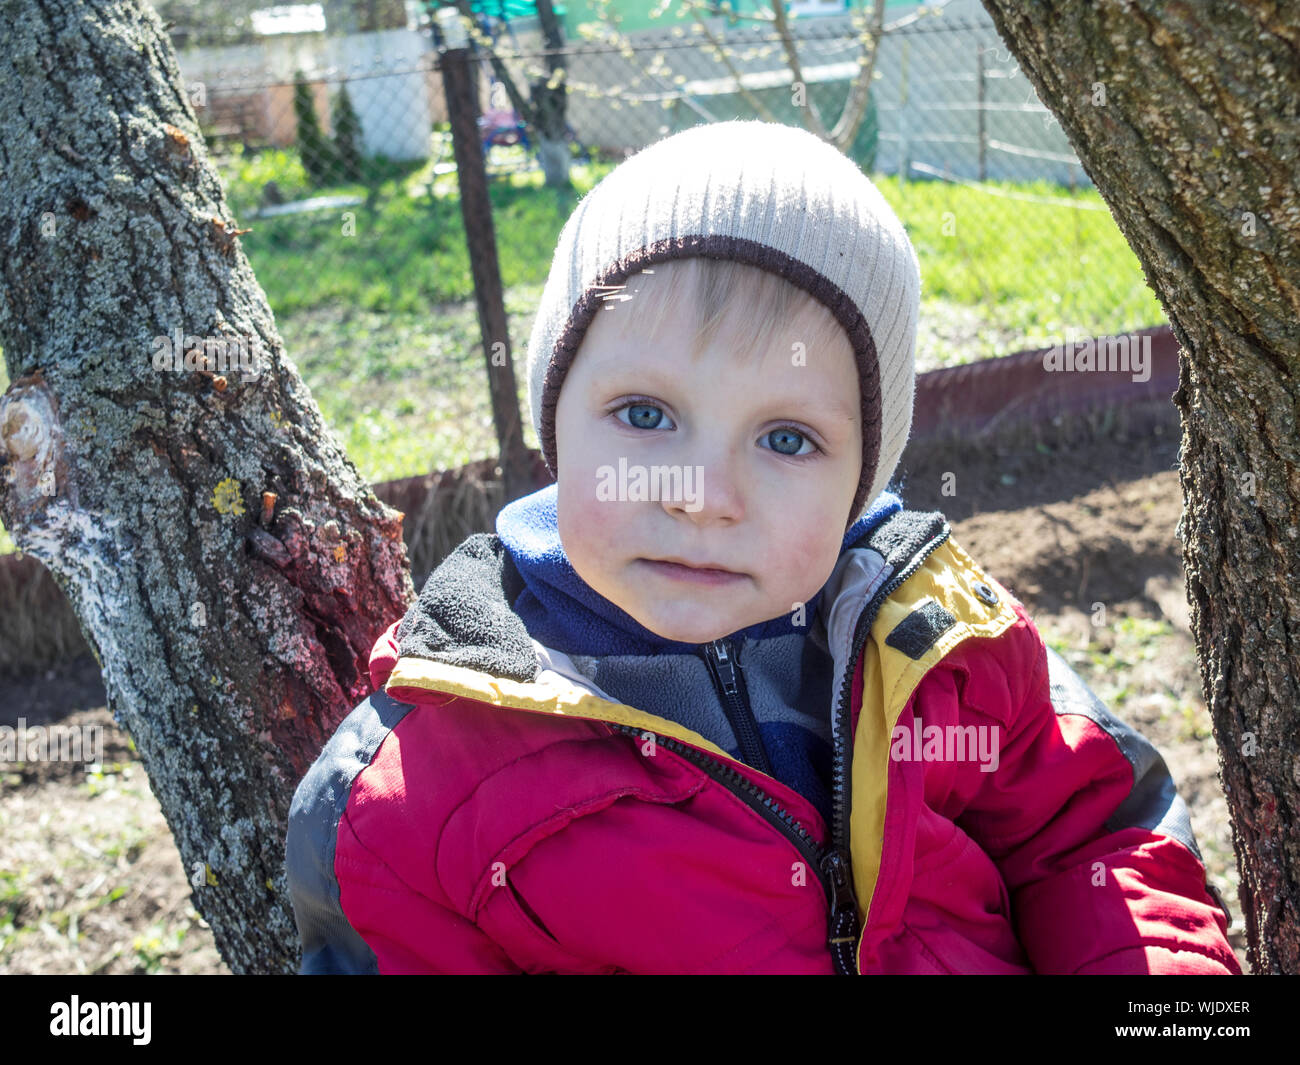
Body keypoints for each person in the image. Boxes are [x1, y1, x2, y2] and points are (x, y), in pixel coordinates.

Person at [285, 120, 1240, 975]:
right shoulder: (426, 785)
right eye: (645, 413)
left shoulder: (943, 644)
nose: (704, 498)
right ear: (556, 424)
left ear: (862, 478)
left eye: (786, 438)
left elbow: (1094, 840)